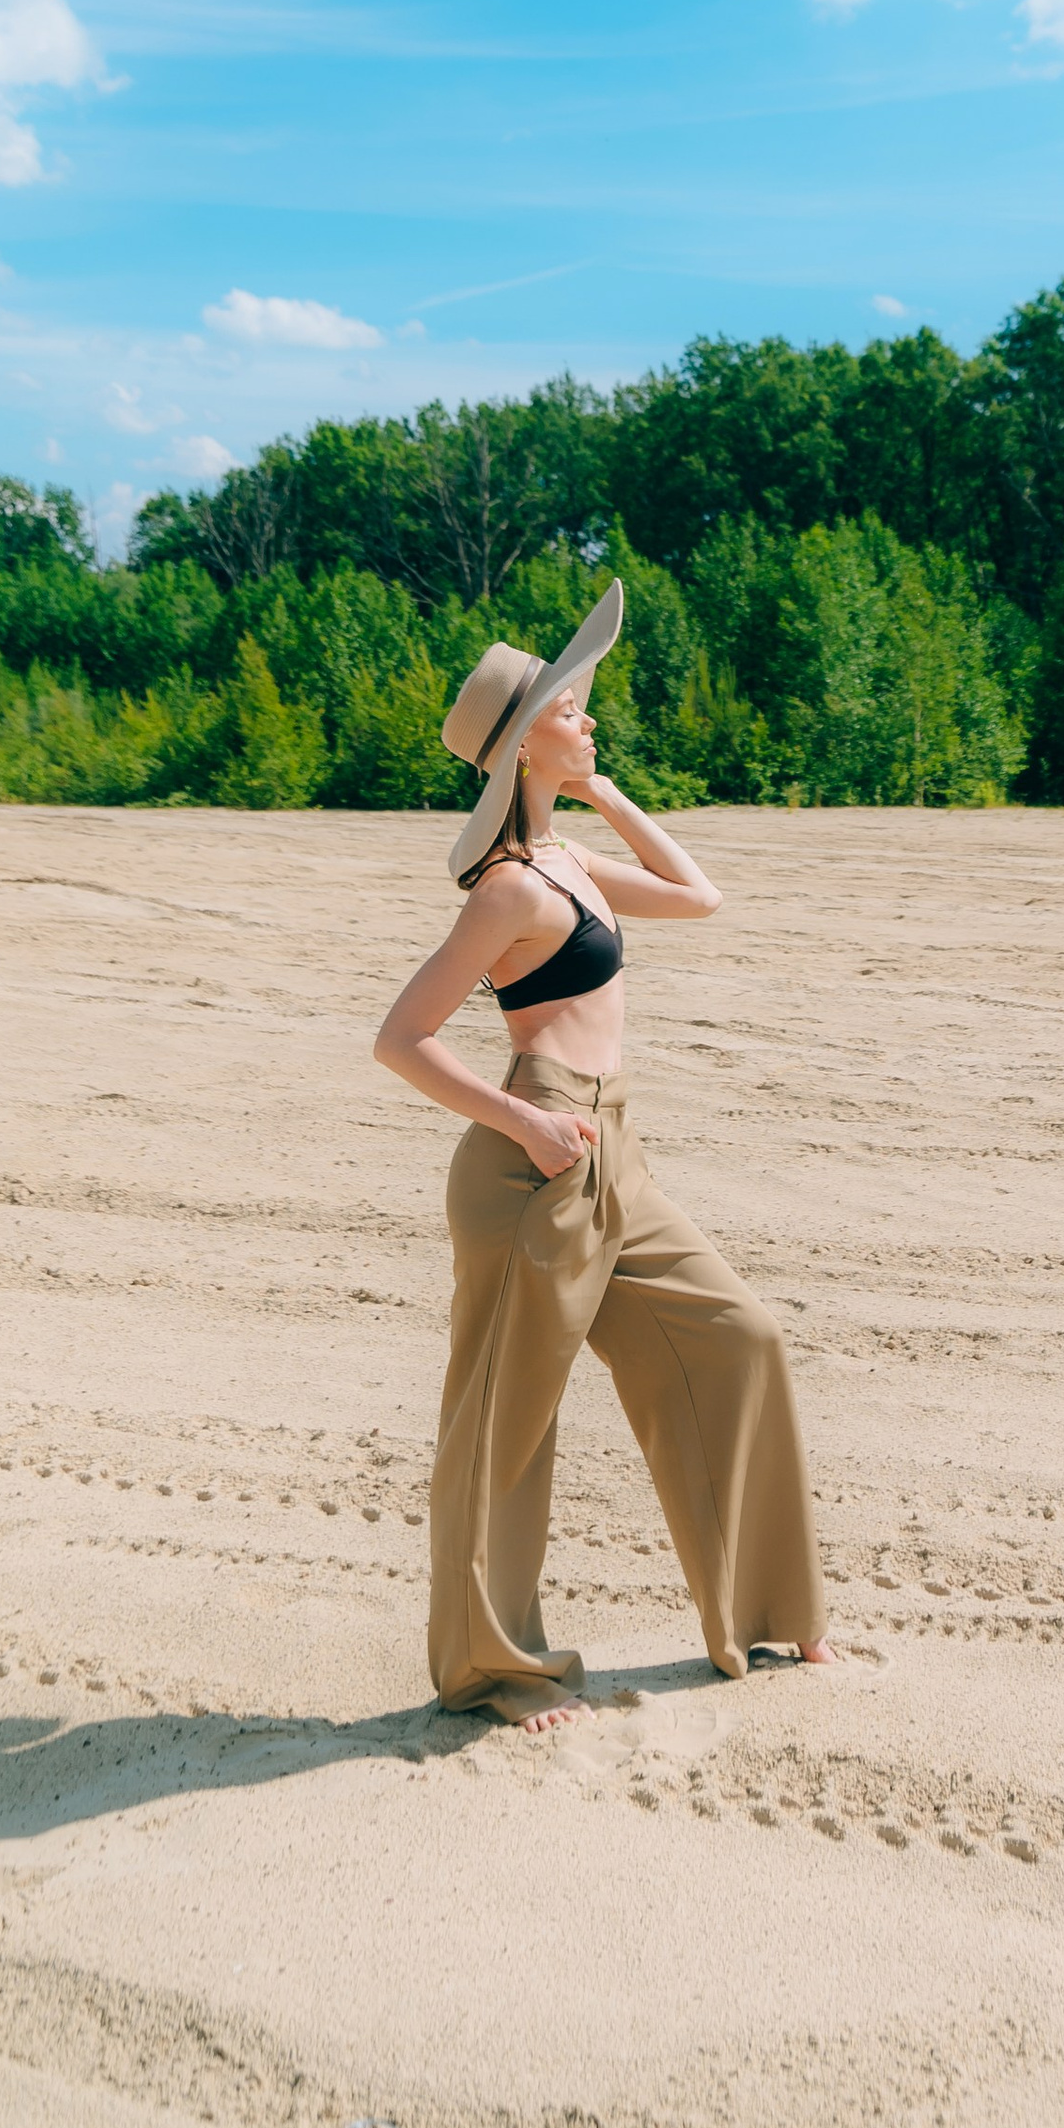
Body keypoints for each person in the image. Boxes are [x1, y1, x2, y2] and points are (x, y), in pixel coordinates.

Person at [372, 580, 831, 1725]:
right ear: (525, 735)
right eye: (573, 709)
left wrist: (604, 789)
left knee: (739, 1336)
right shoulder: (511, 886)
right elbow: (402, 1037)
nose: (590, 718)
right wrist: (519, 1121)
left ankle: (765, 1607)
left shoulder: (565, 857)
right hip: (534, 1154)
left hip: (614, 1147)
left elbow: (699, 894)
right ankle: (492, 1670)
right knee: (505, 1420)